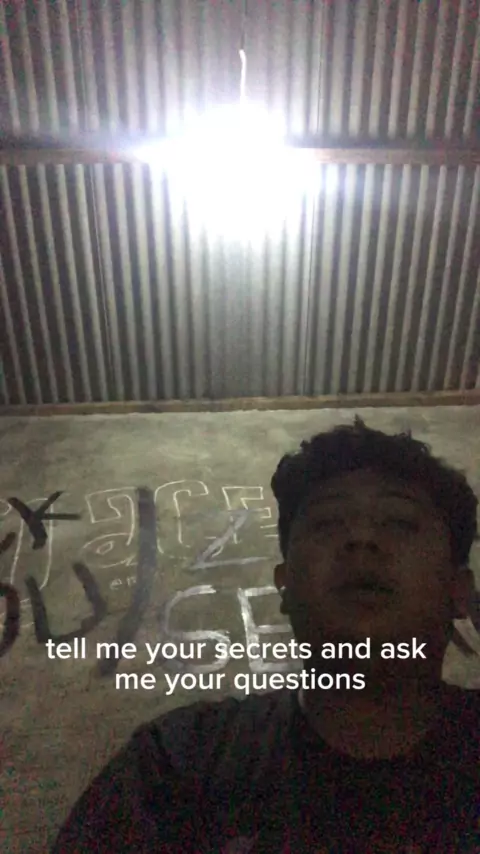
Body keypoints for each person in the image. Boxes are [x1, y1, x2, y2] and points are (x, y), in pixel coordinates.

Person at [52, 417, 480, 853]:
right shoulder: (174, 767)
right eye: (327, 523)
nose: (361, 538)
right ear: (284, 586)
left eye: (400, 522)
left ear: (459, 591)